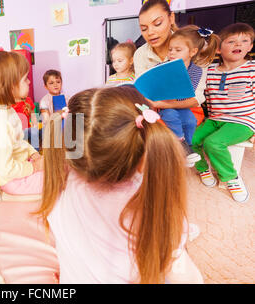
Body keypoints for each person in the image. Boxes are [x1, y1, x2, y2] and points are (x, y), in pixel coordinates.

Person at [37, 86, 203, 284]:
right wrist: (177, 240)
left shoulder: (62, 184)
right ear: (143, 155)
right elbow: (182, 277)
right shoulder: (153, 210)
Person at [192, 23, 254, 203]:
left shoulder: (251, 68)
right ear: (218, 49)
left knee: (213, 143)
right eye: (232, 41)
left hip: (243, 121)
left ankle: (231, 178)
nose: (238, 45)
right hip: (216, 119)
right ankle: (203, 169)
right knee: (192, 139)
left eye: (244, 41)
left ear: (250, 46)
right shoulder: (209, 71)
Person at [150, 25, 220, 166]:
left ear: (192, 52)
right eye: (170, 49)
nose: (172, 53)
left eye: (178, 50)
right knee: (170, 116)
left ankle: (188, 149)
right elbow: (154, 86)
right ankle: (182, 147)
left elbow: (188, 93)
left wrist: (171, 94)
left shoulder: (195, 71)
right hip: (164, 107)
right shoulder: (161, 66)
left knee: (190, 121)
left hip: (181, 105)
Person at [0, 51, 44, 195]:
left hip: (21, 170)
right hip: (13, 181)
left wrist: (33, 154)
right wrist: (35, 168)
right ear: (10, 86)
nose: (29, 82)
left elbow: (19, 142)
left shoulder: (7, 111)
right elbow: (5, 169)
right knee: (59, 179)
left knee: (59, 168)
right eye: (25, 79)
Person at [134, 0, 178, 77]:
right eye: (144, 29)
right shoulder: (140, 54)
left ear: (171, 18)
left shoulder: (191, 44)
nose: (150, 32)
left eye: (157, 23)